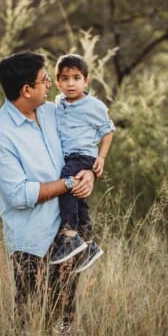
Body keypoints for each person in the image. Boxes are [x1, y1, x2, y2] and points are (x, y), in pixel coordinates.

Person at [0, 52, 95, 329]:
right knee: (29, 316)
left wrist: (89, 172)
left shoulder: (51, 112)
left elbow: (81, 145)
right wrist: (69, 184)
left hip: (67, 232)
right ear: (26, 90)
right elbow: (19, 196)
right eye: (45, 81)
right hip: (32, 242)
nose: (50, 85)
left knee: (63, 313)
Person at [49, 54, 116, 272]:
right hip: (69, 156)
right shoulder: (59, 102)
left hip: (82, 155)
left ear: (86, 81)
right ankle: (87, 245)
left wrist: (101, 158)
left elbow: (108, 131)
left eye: (76, 78)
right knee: (79, 197)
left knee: (67, 183)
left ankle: (69, 236)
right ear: (57, 82)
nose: (70, 83)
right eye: (65, 78)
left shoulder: (93, 106)